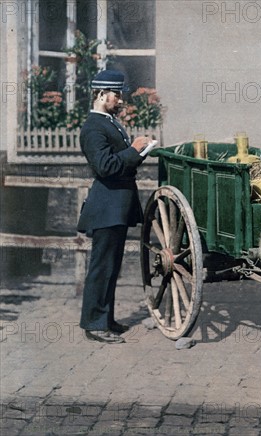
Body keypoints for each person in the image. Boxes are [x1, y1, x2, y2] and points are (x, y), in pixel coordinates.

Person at [77, 69, 153, 343]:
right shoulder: (93, 127)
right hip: (106, 207)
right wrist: (133, 150)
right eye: (116, 94)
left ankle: (105, 319)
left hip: (117, 206)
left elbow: (121, 163)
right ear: (100, 94)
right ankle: (94, 325)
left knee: (111, 267)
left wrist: (140, 152)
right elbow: (105, 166)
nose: (120, 99)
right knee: (102, 267)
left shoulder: (109, 122)